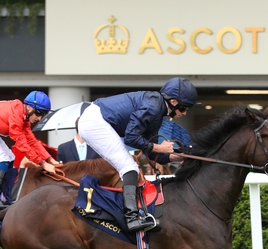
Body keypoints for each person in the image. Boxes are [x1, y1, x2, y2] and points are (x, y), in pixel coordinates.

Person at [77, 77, 195, 232]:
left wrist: (175, 156)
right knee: (129, 167)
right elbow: (132, 138)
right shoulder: (153, 107)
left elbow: (149, 151)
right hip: (94, 122)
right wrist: (160, 148)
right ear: (173, 102)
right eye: (184, 107)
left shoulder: (157, 109)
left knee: (129, 166)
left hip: (96, 120)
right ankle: (131, 219)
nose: (185, 113)